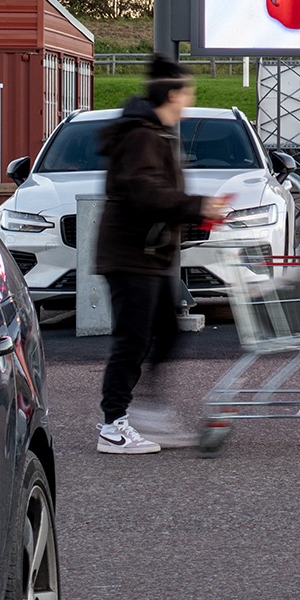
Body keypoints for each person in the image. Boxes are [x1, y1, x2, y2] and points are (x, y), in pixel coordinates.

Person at [93, 54, 227, 455]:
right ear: (172, 94)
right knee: (132, 340)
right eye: (187, 91)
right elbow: (145, 194)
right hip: (131, 254)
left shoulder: (157, 133)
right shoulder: (142, 136)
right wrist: (198, 206)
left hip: (149, 254)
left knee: (166, 331)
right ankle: (112, 426)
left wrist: (197, 210)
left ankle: (148, 411)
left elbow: (157, 194)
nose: (190, 99)